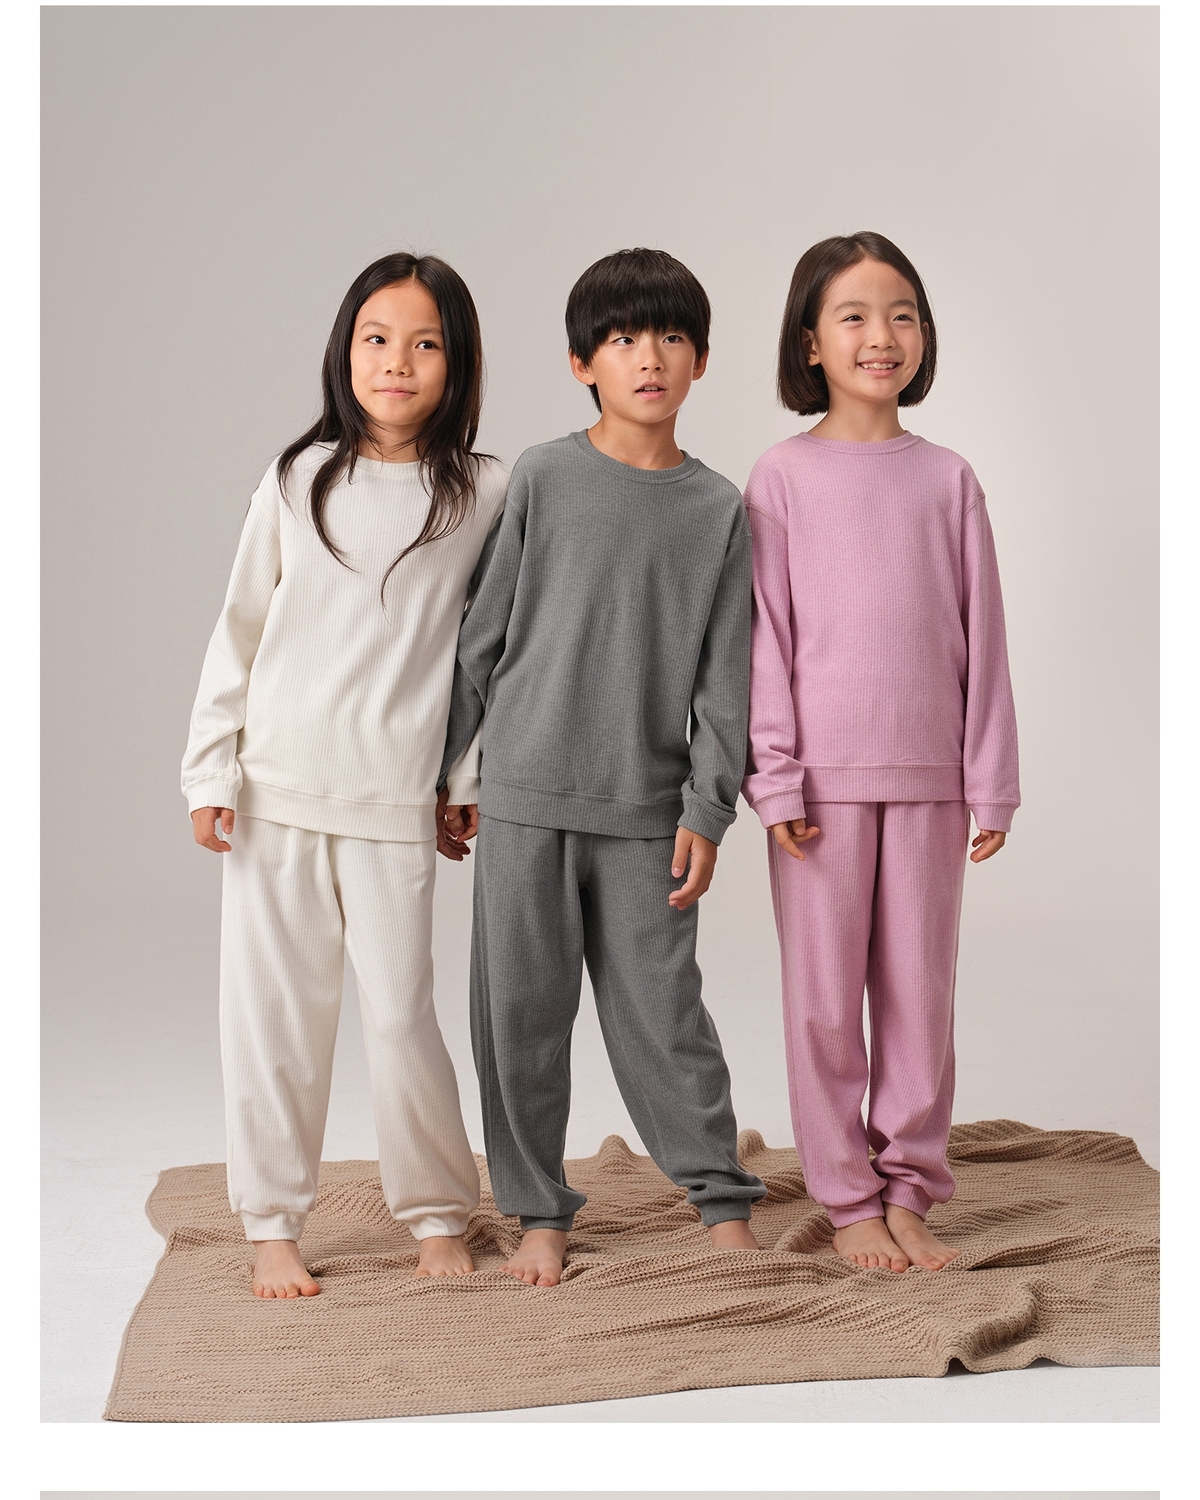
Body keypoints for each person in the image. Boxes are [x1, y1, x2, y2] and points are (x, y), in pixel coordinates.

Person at [438, 247, 766, 1288]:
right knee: (520, 1017)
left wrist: (708, 809)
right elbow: (481, 640)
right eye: (623, 339)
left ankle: (719, 1196)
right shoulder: (541, 476)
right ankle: (538, 1208)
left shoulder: (719, 509)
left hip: (646, 811)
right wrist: (451, 776)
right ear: (584, 361)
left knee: (666, 1016)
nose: (649, 358)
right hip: (524, 800)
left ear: (702, 358)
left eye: (670, 337)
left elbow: (725, 683)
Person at [181, 252, 507, 1297]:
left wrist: (463, 780)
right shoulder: (296, 479)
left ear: (457, 364)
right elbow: (238, 629)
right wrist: (209, 772)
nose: (396, 362)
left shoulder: (484, 492)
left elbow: (487, 655)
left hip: (393, 799)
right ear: (345, 350)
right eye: (377, 338)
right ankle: (272, 1221)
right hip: (275, 791)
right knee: (274, 1017)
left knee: (401, 1015)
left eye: (424, 343)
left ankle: (437, 1211)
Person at [743, 232, 1020, 1273]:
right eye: (853, 315)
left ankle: (909, 1188)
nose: (882, 335)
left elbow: (984, 635)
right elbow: (763, 642)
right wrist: (774, 781)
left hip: (932, 782)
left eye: (902, 313)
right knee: (824, 1005)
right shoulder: (780, 477)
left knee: (918, 998)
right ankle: (847, 1196)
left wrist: (991, 780)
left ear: (925, 335)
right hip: (816, 791)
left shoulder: (949, 479)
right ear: (809, 342)